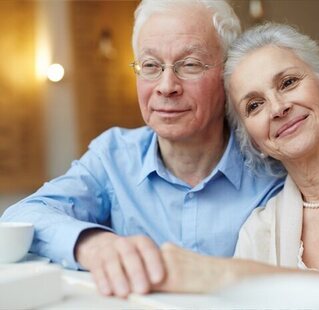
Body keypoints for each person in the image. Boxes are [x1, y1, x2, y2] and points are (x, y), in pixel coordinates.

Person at [0, 1, 283, 298]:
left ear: (228, 75)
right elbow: (23, 215)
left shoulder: (271, 161)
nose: (166, 86)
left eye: (189, 64)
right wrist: (94, 244)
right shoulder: (113, 156)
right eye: (150, 66)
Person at [151, 23, 319, 309]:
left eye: (288, 83)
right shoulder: (258, 231)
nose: (278, 107)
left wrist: (229, 275)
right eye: (254, 105)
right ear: (254, 141)